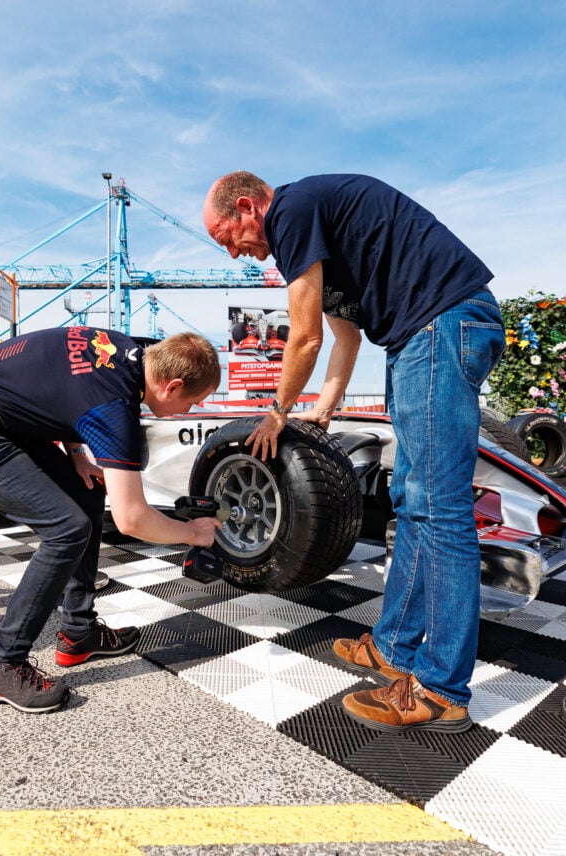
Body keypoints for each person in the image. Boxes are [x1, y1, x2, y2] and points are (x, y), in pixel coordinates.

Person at [203, 172, 505, 734]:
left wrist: (279, 411)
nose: (234, 253)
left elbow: (305, 336)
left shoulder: (291, 211)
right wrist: (324, 405)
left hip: (440, 327)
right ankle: (394, 647)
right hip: (422, 337)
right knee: (411, 502)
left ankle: (439, 689)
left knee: (439, 510)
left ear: (247, 206)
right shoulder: (324, 235)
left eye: (228, 236)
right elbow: (344, 338)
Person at [0, 328, 222, 713]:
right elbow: (132, 519)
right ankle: (0, 664)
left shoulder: (136, 352)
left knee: (89, 488)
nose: (190, 411)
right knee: (66, 528)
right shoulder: (113, 406)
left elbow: (59, 385)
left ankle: (78, 632)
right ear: (172, 385)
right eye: (193, 402)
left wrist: (77, 452)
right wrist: (193, 533)